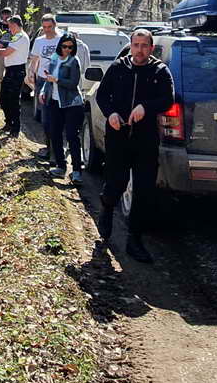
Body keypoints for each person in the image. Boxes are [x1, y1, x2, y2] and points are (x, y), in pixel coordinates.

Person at [95, 28, 175, 263]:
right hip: (118, 135)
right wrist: (110, 113)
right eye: (136, 45)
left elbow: (168, 99)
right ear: (130, 46)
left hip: (145, 138)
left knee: (143, 190)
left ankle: (135, 240)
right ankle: (107, 209)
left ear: (151, 48)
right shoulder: (118, 67)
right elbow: (102, 96)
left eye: (144, 46)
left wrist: (146, 107)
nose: (139, 50)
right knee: (116, 183)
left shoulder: (160, 71)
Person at [44, 33, 88, 183]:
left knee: (72, 136)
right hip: (55, 101)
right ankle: (61, 166)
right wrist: (44, 91)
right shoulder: (54, 58)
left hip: (72, 103)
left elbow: (73, 83)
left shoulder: (73, 61)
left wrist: (56, 79)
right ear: (60, 46)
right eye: (65, 46)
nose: (67, 49)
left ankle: (76, 171)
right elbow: (48, 78)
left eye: (70, 47)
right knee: (55, 134)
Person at [0, 16, 29, 136]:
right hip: (11, 70)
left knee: (13, 100)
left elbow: (5, 53)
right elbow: (8, 49)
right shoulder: (15, 36)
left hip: (17, 71)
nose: (9, 29)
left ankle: (15, 128)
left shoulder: (21, 37)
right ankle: (9, 123)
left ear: (15, 25)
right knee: (3, 97)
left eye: (10, 26)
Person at [0, 7, 17, 99]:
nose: (6, 15)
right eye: (4, 13)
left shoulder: (14, 25)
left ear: (11, 15)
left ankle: (9, 97)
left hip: (11, 54)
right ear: (2, 15)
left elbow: (18, 38)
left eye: (8, 13)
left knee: (11, 77)